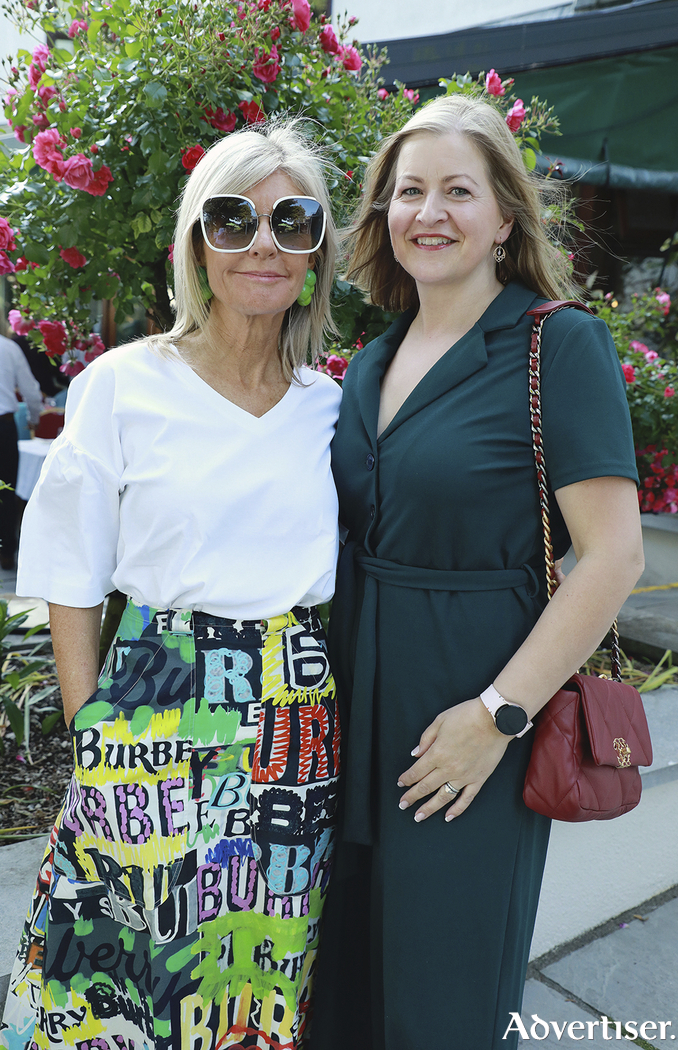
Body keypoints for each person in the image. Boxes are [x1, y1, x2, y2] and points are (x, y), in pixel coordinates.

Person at [308, 95, 644, 1050]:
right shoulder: (367, 366)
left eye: (459, 190)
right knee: (342, 995)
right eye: (409, 191)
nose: (431, 212)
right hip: (351, 721)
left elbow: (613, 555)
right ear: (383, 215)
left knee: (443, 1004)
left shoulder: (557, 344)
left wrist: (498, 717)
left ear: (505, 216)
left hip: (471, 729)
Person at [2, 121, 342, 1050]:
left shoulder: (333, 404)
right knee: (116, 956)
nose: (262, 241)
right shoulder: (125, 383)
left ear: (318, 246)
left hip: (288, 706)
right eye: (232, 219)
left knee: (254, 958)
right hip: (153, 694)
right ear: (198, 242)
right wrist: (91, 728)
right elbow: (70, 566)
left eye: (291, 218)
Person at [0, 330, 42, 569]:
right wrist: (34, 418)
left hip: (5, 425)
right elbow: (31, 389)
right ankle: (7, 552)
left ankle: (6, 552)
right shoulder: (8, 348)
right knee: (6, 491)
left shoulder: (9, 347)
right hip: (3, 427)